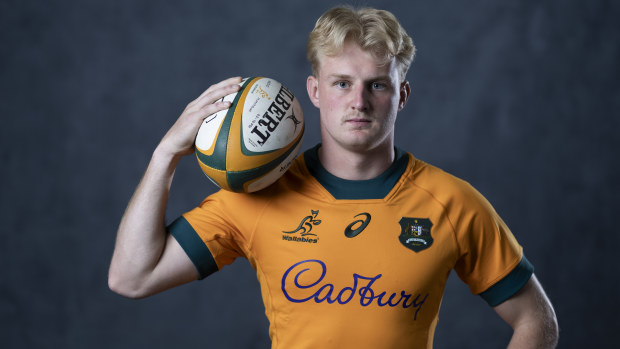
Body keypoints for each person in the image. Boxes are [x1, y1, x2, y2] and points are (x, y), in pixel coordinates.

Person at [108, 6, 559, 348]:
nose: (358, 101)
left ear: (401, 95)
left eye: (377, 84)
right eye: (342, 83)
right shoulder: (255, 196)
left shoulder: (451, 202)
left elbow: (536, 320)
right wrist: (166, 154)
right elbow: (131, 277)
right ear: (315, 91)